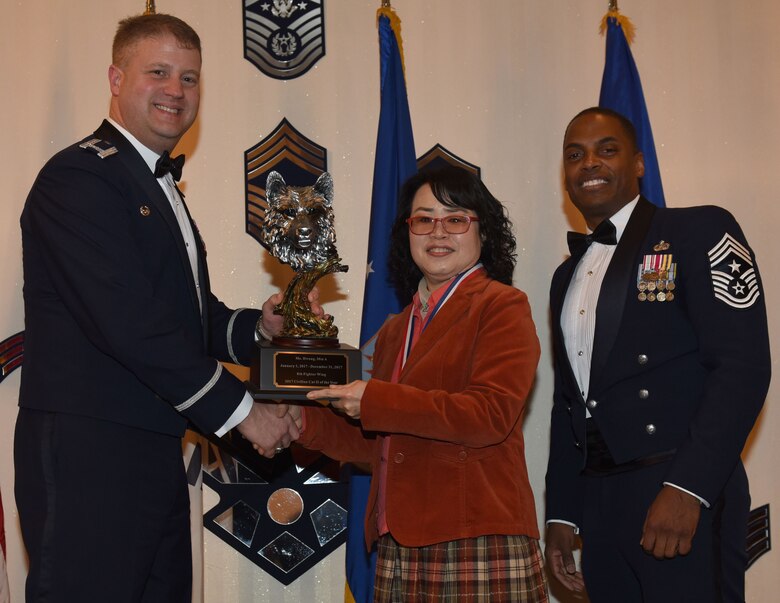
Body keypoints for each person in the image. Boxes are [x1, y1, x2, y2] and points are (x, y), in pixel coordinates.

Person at [15, 13, 306, 602]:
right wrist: (243, 413)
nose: (177, 90)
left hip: (153, 447)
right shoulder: (79, 177)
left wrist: (262, 328)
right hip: (89, 452)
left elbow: (186, 317)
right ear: (116, 79)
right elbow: (131, 325)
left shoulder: (152, 183)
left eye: (191, 78)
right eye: (159, 72)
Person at [290, 166, 548, 602]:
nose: (438, 232)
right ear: (407, 232)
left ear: (483, 231)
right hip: (399, 544)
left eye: (456, 218)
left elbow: (490, 415)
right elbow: (382, 444)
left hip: (474, 539)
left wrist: (375, 399)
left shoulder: (502, 306)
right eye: (424, 219)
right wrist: (298, 419)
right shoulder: (396, 330)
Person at [544, 107, 771, 601]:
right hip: (600, 503)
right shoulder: (565, 277)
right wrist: (562, 511)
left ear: (639, 163)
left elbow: (742, 366)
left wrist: (689, 487)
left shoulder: (701, 230)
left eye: (608, 149)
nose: (590, 164)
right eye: (575, 155)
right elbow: (570, 403)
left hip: (678, 488)